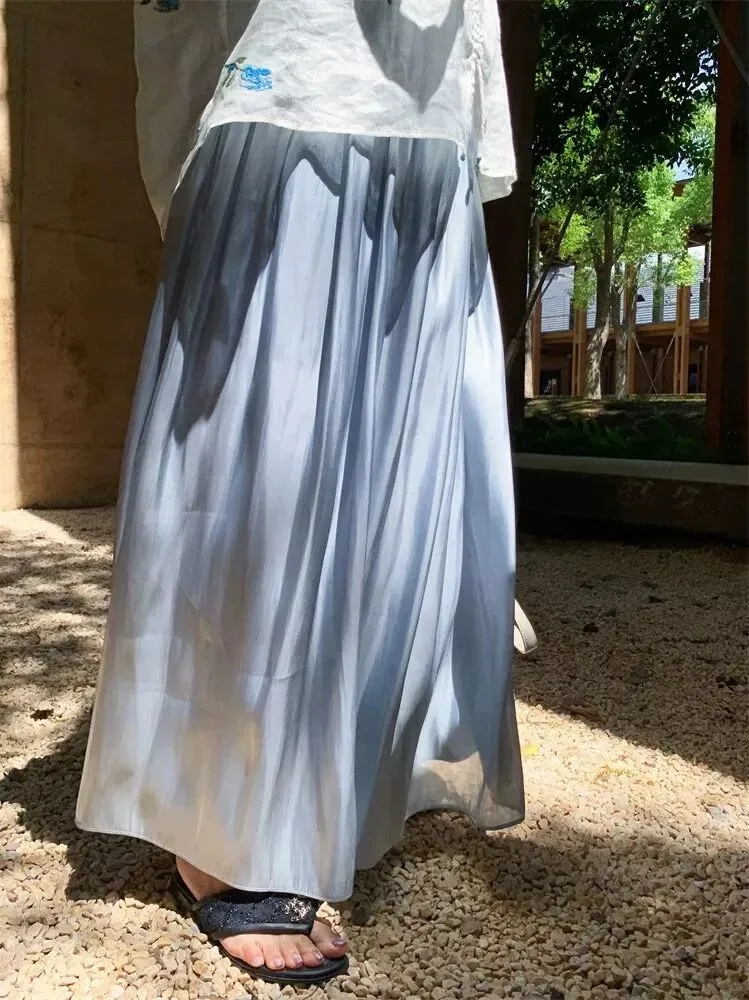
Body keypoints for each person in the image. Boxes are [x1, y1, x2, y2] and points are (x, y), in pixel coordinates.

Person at [76, 0, 525, 987]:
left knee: (391, 458)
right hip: (290, 66)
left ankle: (345, 759)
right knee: (263, 453)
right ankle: (224, 813)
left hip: (425, 94)